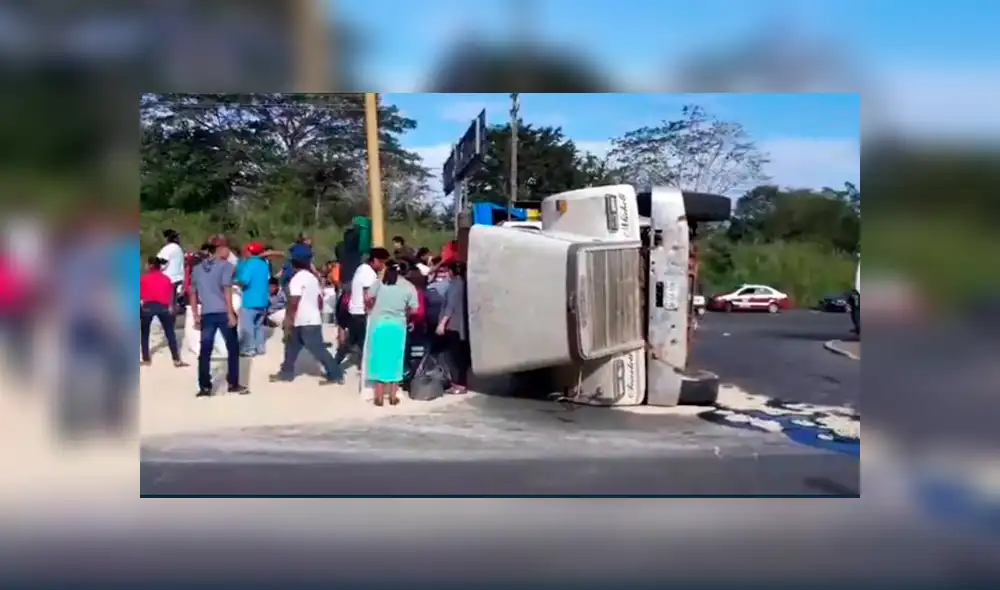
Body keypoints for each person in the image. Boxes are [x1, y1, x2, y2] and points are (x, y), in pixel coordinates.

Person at [269, 257, 345, 385]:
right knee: (291, 346)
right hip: (311, 318)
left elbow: (294, 301)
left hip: (303, 319)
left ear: (293, 265)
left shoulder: (296, 279)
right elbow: (320, 300)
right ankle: (286, 372)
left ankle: (336, 374)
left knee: (316, 349)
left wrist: (288, 319)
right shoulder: (312, 278)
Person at [189, 240, 247, 397]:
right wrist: (230, 313)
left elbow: (192, 293)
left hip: (206, 313)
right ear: (219, 249)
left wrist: (195, 315)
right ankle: (233, 383)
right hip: (223, 311)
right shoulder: (225, 266)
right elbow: (227, 289)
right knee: (233, 348)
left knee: (205, 351)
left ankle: (204, 387)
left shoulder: (196, 269)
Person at [365, 259, 419, 406]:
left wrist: (371, 307)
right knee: (395, 360)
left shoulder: (380, 283)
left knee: (378, 359)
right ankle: (393, 396)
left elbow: (368, 297)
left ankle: (379, 397)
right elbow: (414, 309)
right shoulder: (409, 287)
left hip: (379, 324)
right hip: (397, 326)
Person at [335, 247, 389, 369]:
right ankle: (369, 369)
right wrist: (371, 311)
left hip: (355, 311)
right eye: (382, 262)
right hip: (362, 313)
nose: (383, 266)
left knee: (352, 343)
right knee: (366, 343)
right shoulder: (368, 273)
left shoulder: (362, 269)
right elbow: (368, 295)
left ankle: (333, 366)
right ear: (374, 260)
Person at [139, 256, 187, 367]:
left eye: (147, 264)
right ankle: (176, 359)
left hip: (148, 307)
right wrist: (170, 306)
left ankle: (146, 358)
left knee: (145, 333)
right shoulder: (166, 279)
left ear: (150, 265)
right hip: (163, 307)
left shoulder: (144, 279)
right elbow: (171, 295)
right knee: (170, 333)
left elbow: (140, 294)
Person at [437, 261, 470, 394]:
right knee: (462, 356)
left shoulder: (454, 285)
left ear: (451, 271)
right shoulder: (465, 284)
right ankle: (461, 383)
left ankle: (458, 384)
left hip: (454, 325)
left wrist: (442, 324)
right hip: (464, 326)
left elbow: (450, 306)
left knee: (454, 357)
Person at [236, 241, 271, 357]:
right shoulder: (264, 264)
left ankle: (249, 349)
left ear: (250, 251)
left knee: (248, 326)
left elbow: (244, 280)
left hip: (250, 300)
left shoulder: (250, 264)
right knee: (259, 326)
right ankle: (260, 347)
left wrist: (235, 281)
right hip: (263, 301)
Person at [157, 229, 185, 301]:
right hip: (179, 279)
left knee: (167, 303)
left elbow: (161, 264)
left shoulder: (167, 249)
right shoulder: (179, 249)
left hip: (169, 280)